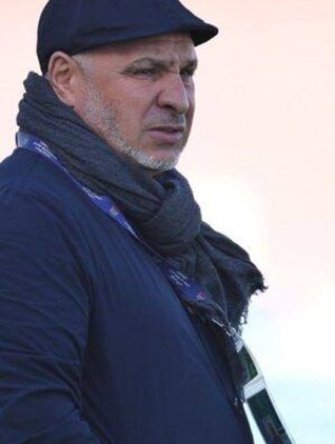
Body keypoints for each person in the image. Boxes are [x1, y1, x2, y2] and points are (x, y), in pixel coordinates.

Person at [0, 0, 290, 443]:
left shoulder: (148, 217)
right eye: (146, 71)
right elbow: (29, 423)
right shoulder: (28, 211)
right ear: (65, 79)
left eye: (186, 72)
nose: (178, 99)